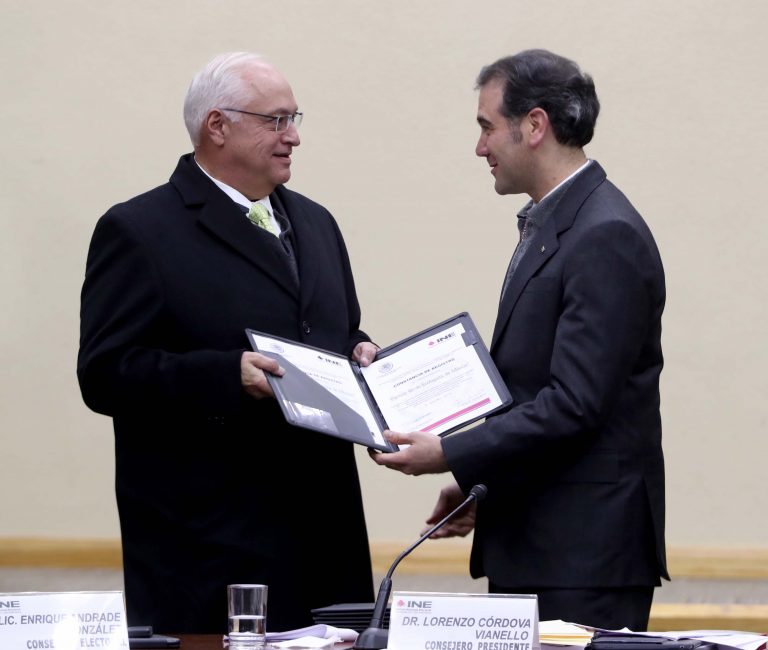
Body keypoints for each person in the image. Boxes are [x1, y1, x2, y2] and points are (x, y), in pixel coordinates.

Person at [77, 52, 377, 634]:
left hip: (325, 537)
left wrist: (361, 350)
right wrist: (226, 375)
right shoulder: (140, 230)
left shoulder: (317, 223)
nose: (293, 136)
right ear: (218, 126)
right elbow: (105, 372)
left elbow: (330, 331)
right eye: (276, 120)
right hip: (211, 551)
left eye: (295, 118)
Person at [371, 49, 668, 631]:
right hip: (543, 543)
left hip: (583, 561)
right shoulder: (562, 222)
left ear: (534, 126)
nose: (479, 147)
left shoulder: (604, 234)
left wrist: (450, 451)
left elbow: (574, 404)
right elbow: (535, 389)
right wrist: (481, 480)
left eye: (486, 127)